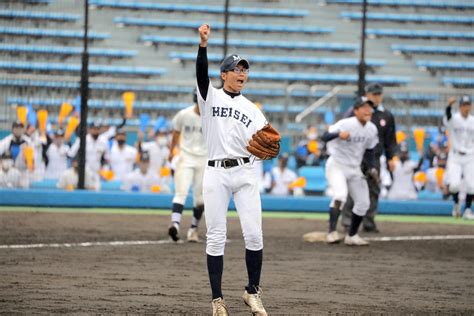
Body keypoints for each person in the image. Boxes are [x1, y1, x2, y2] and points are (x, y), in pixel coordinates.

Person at [197, 23, 269, 315]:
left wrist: (270, 150)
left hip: (245, 173)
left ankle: (252, 292)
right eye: (236, 69)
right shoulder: (209, 97)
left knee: (254, 235)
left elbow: (267, 143)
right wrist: (203, 46)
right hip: (216, 172)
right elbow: (201, 74)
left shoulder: (253, 109)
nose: (242, 73)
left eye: (245, 70)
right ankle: (217, 300)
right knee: (216, 235)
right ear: (224, 74)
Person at [321, 96, 379, 246]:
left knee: (363, 203)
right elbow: (324, 136)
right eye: (364, 107)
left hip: (354, 168)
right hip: (337, 165)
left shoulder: (372, 129)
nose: (368, 110)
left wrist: (372, 168)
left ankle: (352, 235)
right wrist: (338, 134)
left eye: (370, 107)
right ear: (356, 110)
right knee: (340, 195)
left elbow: (370, 151)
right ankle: (332, 233)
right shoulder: (345, 124)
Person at [341, 83, 398, 233]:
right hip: (355, 157)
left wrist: (392, 157)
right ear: (367, 94)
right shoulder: (355, 111)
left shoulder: (386, 115)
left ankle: (369, 221)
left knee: (373, 189)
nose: (376, 97)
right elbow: (343, 130)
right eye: (373, 94)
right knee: (352, 189)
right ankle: (347, 221)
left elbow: (390, 140)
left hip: (374, 157)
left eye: (379, 94)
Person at [167, 90, 207, 242]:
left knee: (200, 199)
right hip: (186, 156)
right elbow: (176, 134)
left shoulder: (212, 117)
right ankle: (175, 225)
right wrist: (171, 152)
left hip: (204, 159)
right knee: (181, 192)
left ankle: (193, 229)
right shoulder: (184, 114)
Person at [443, 95, 474, 220]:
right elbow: (448, 118)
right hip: (455, 155)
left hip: (470, 155)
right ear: (460, 107)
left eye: (468, 105)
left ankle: (467, 210)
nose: (466, 108)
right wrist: (449, 106)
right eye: (464, 105)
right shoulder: (454, 118)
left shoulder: (473, 120)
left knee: (472, 185)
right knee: (454, 185)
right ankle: (456, 205)